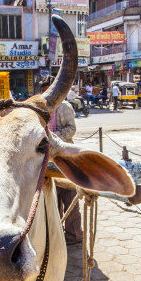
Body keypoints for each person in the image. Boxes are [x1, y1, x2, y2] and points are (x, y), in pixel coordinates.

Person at [40, 77, 83, 245]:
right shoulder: (40, 109)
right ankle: (55, 233)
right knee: (52, 197)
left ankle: (74, 235)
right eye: (44, 90)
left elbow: (71, 129)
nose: (46, 93)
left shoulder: (64, 107)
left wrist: (53, 139)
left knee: (70, 196)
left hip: (64, 156)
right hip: (47, 159)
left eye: (49, 89)